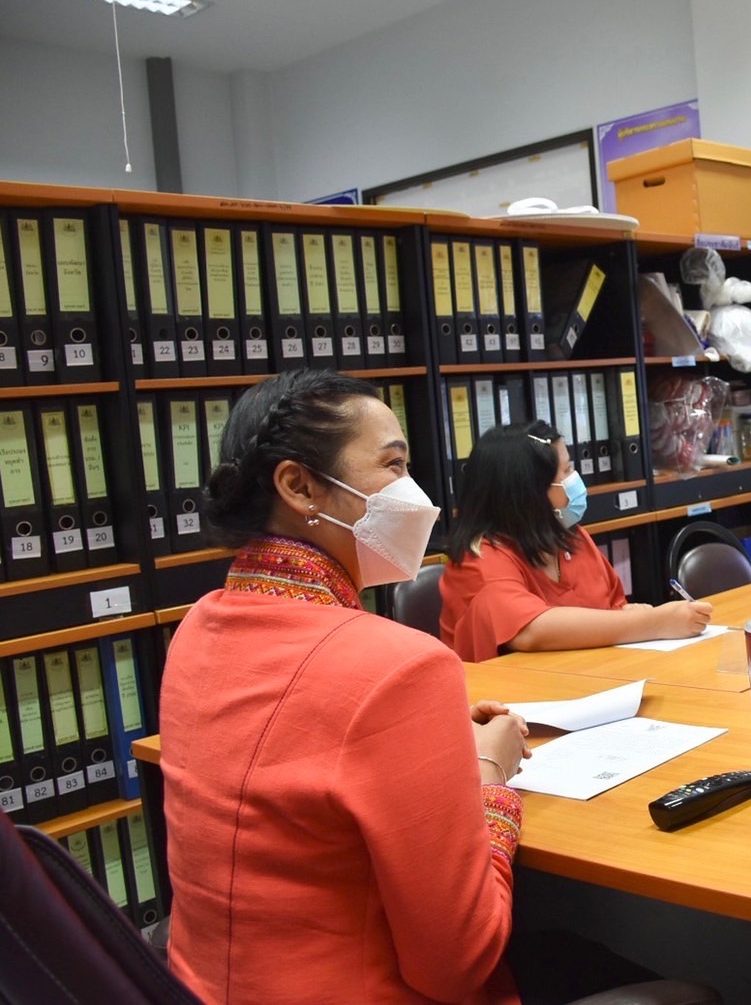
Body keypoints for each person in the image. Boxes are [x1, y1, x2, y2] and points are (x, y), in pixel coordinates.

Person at [159, 369, 531, 1002]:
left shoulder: (197, 628)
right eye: (393, 465)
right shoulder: (402, 666)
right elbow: (459, 962)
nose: (414, 492)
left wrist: (423, 741)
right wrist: (489, 774)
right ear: (300, 487)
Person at [440, 420, 711, 660]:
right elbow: (530, 630)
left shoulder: (569, 535)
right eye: (566, 471)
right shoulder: (479, 557)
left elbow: (612, 608)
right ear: (527, 492)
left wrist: (629, 614)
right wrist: (655, 622)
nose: (575, 480)